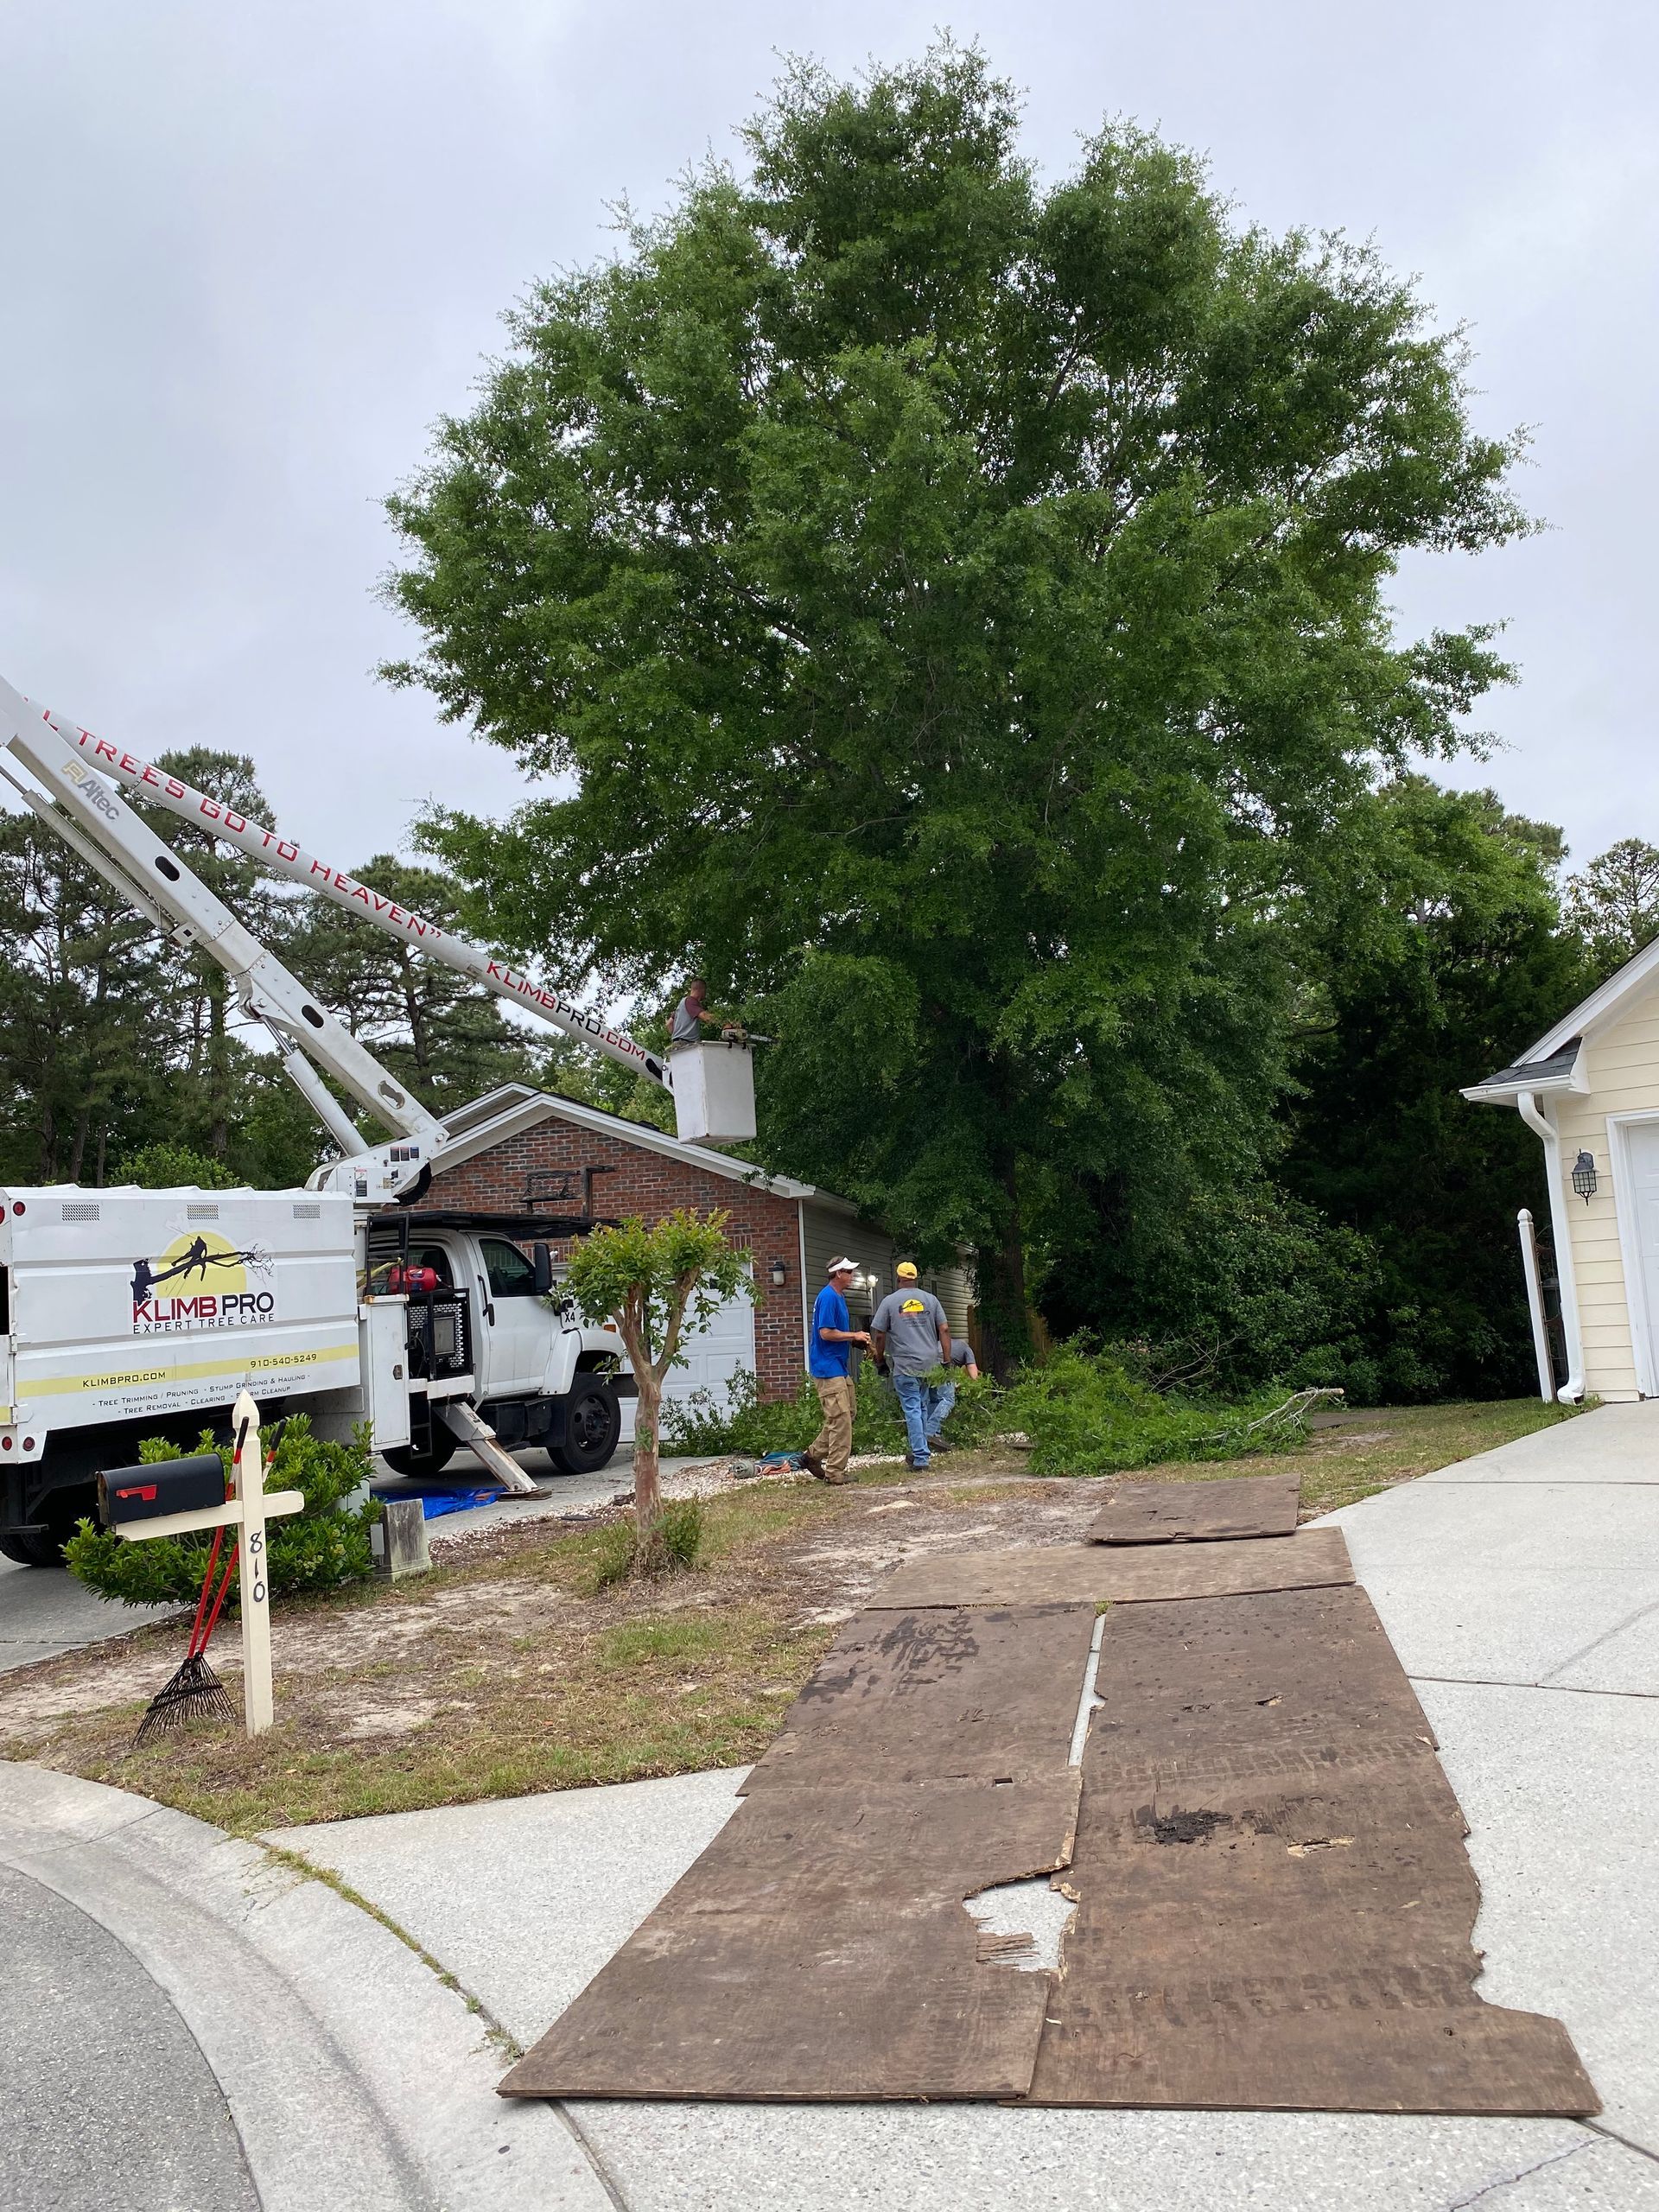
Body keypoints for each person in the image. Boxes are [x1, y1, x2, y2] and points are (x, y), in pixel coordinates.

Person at [870, 1262, 950, 1471]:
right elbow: (944, 1329)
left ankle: (921, 1457)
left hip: (905, 1365)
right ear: (916, 1278)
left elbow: (879, 1335)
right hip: (929, 1364)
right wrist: (946, 1360)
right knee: (921, 1407)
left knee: (913, 1409)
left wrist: (880, 1359)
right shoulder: (931, 1300)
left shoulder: (889, 1302)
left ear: (898, 1279)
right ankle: (920, 1450)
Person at [802, 1257, 870, 1485]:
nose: (852, 1275)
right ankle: (834, 1474)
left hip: (837, 1366)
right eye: (849, 1271)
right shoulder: (829, 1297)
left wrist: (855, 1341)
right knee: (840, 1420)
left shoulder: (838, 1296)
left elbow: (834, 1332)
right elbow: (826, 1333)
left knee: (846, 1414)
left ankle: (812, 1456)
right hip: (827, 1368)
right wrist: (854, 1335)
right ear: (838, 1273)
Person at [925, 1335, 980, 1454]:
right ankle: (929, 1433)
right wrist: (964, 1385)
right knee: (948, 1400)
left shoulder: (943, 1343)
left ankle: (934, 1436)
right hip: (942, 1365)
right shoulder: (967, 1349)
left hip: (926, 1364)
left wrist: (955, 1385)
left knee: (934, 1401)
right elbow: (974, 1376)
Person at [670, 977, 721, 1046]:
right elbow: (706, 1017)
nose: (705, 993)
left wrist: (677, 1037)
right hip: (685, 1043)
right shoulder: (691, 1001)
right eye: (705, 990)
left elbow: (669, 1023)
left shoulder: (682, 1004)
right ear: (702, 990)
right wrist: (724, 1021)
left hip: (678, 1043)